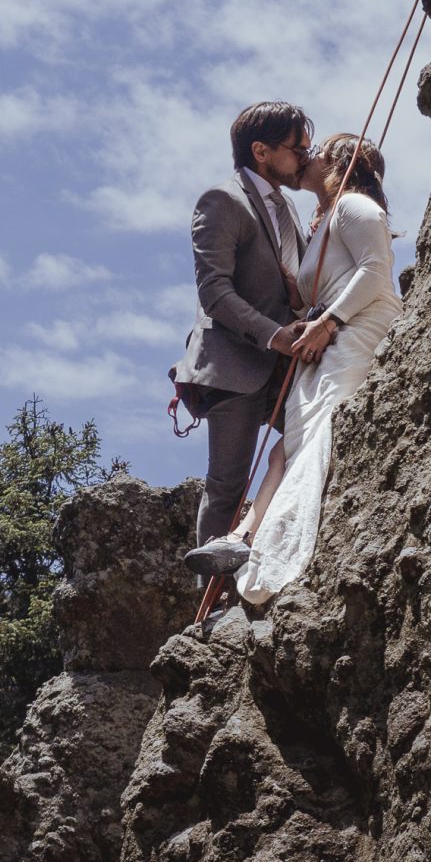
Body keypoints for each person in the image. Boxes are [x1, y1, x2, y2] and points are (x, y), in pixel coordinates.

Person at [193, 133, 405, 602]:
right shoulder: (322, 220)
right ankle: (245, 538)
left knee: (316, 429)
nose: (306, 157)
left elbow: (375, 271)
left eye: (318, 151)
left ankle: (267, 548)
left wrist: (329, 321)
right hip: (330, 332)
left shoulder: (354, 206)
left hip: (358, 327)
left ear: (337, 163)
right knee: (284, 447)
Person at [174, 102, 314, 573]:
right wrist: (274, 336)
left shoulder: (289, 207)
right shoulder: (221, 201)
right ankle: (209, 606)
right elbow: (214, 292)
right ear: (261, 151)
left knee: (309, 443)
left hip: (286, 366)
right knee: (226, 484)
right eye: (297, 150)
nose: (305, 159)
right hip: (235, 364)